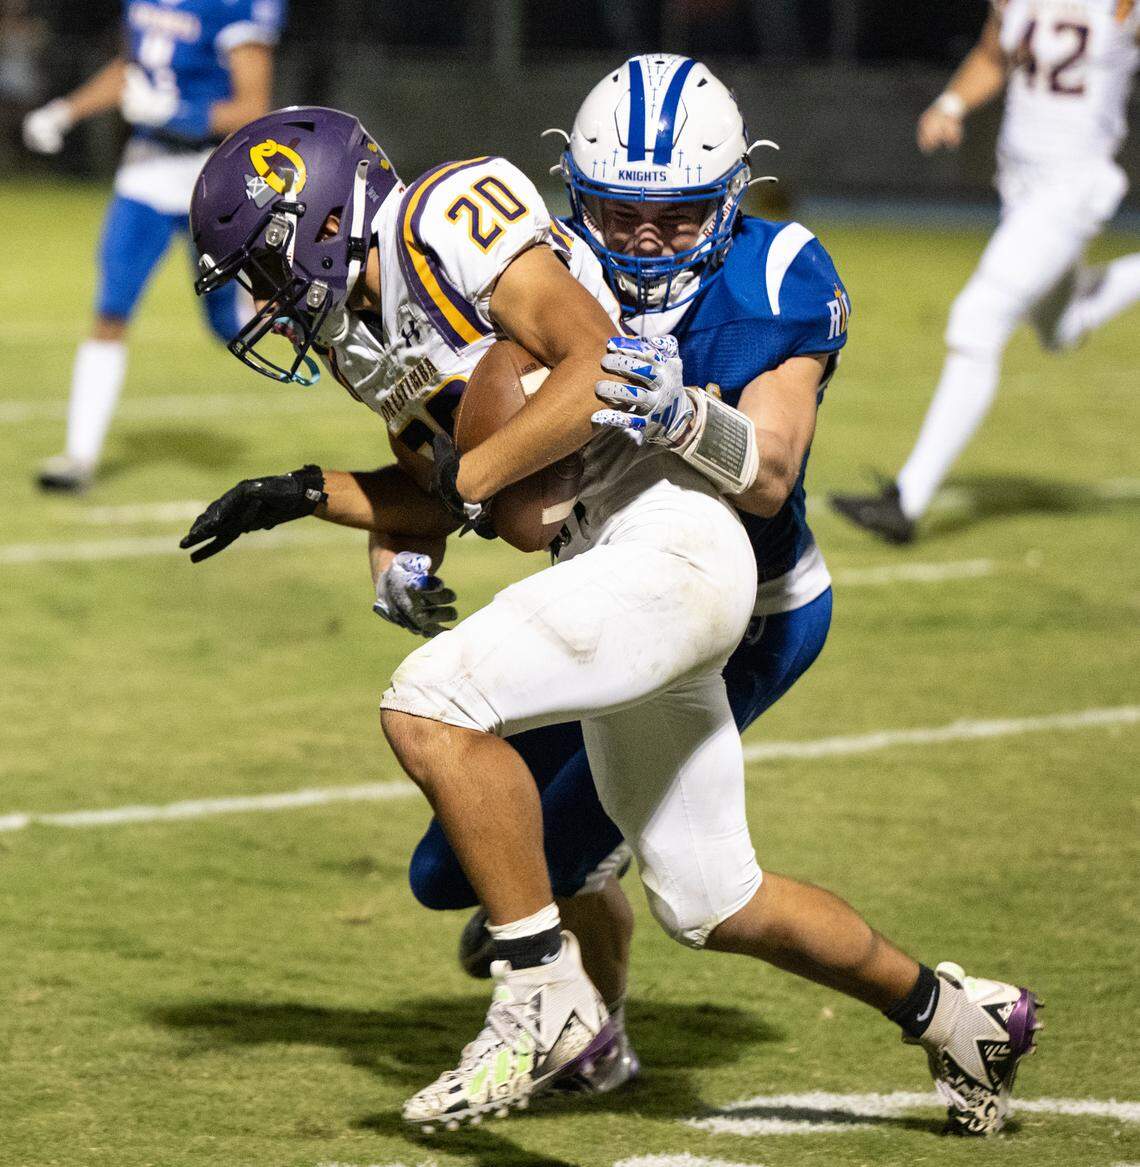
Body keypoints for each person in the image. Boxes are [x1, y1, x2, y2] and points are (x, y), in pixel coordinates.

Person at [182, 81, 1038, 1139]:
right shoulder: (371, 334)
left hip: (685, 545)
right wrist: (315, 494)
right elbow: (484, 494)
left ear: (318, 218)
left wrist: (465, 489)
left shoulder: (451, 215)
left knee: (429, 704)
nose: (261, 298)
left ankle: (546, 991)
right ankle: (960, 1016)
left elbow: (594, 396)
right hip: (625, 560)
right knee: (709, 900)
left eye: (267, 264)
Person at [830, 0, 1140, 543]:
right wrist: (951, 102)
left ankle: (906, 500)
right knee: (1061, 329)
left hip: (1072, 188)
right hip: (1021, 187)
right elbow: (993, 54)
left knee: (978, 318)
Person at [22, 0, 282, 492]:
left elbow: (253, 107)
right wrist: (66, 110)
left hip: (212, 176)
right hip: (146, 170)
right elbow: (134, 70)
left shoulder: (233, 7)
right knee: (110, 309)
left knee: (228, 325)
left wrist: (177, 113)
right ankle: (78, 457)